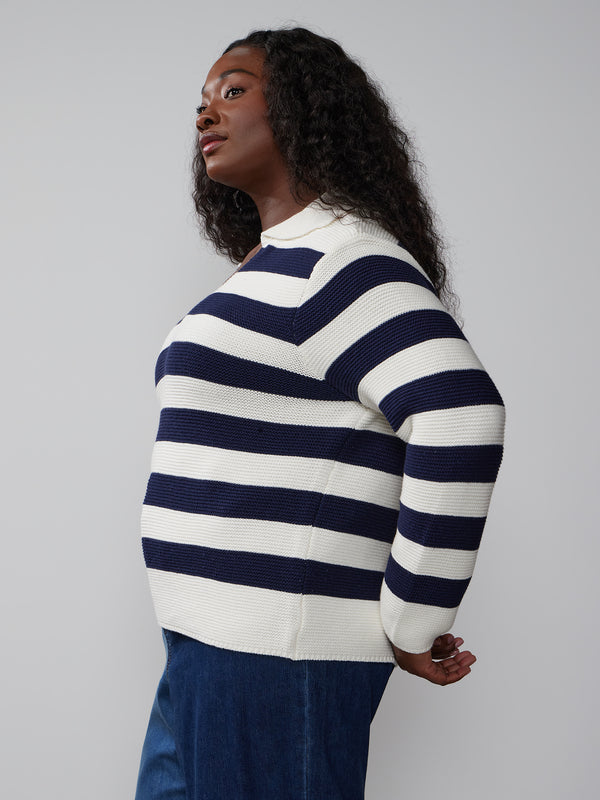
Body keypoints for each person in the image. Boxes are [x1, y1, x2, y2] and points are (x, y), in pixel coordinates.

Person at [135, 26, 506, 800]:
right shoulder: (276, 263)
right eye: (202, 99)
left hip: (273, 663)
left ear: (302, 110)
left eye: (234, 90)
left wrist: (412, 620)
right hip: (205, 652)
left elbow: (461, 411)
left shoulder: (344, 259)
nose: (206, 113)